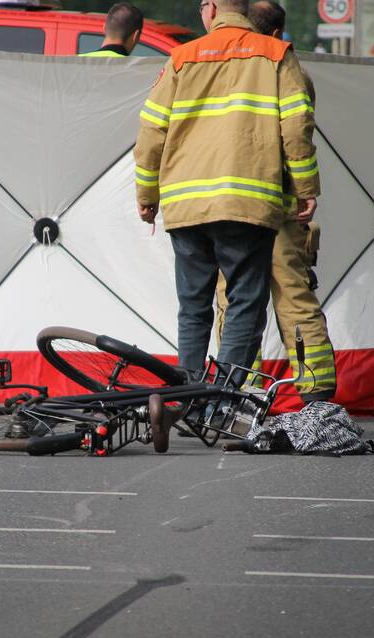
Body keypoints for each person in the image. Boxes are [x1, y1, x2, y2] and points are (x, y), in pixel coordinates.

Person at [133, 0, 319, 386]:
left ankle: (185, 398)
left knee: (193, 306)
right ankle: (222, 401)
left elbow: (151, 131)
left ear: (212, 8)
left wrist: (147, 194)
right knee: (245, 303)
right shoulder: (275, 55)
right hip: (247, 202)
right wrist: (305, 187)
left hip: (186, 205)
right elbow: (297, 124)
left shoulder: (181, 58)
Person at [214, 0, 337, 402]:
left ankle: (242, 395)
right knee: (295, 297)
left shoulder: (246, 67)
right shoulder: (293, 72)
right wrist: (305, 191)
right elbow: (298, 136)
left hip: (236, 205)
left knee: (235, 301)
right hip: (281, 205)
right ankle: (316, 393)